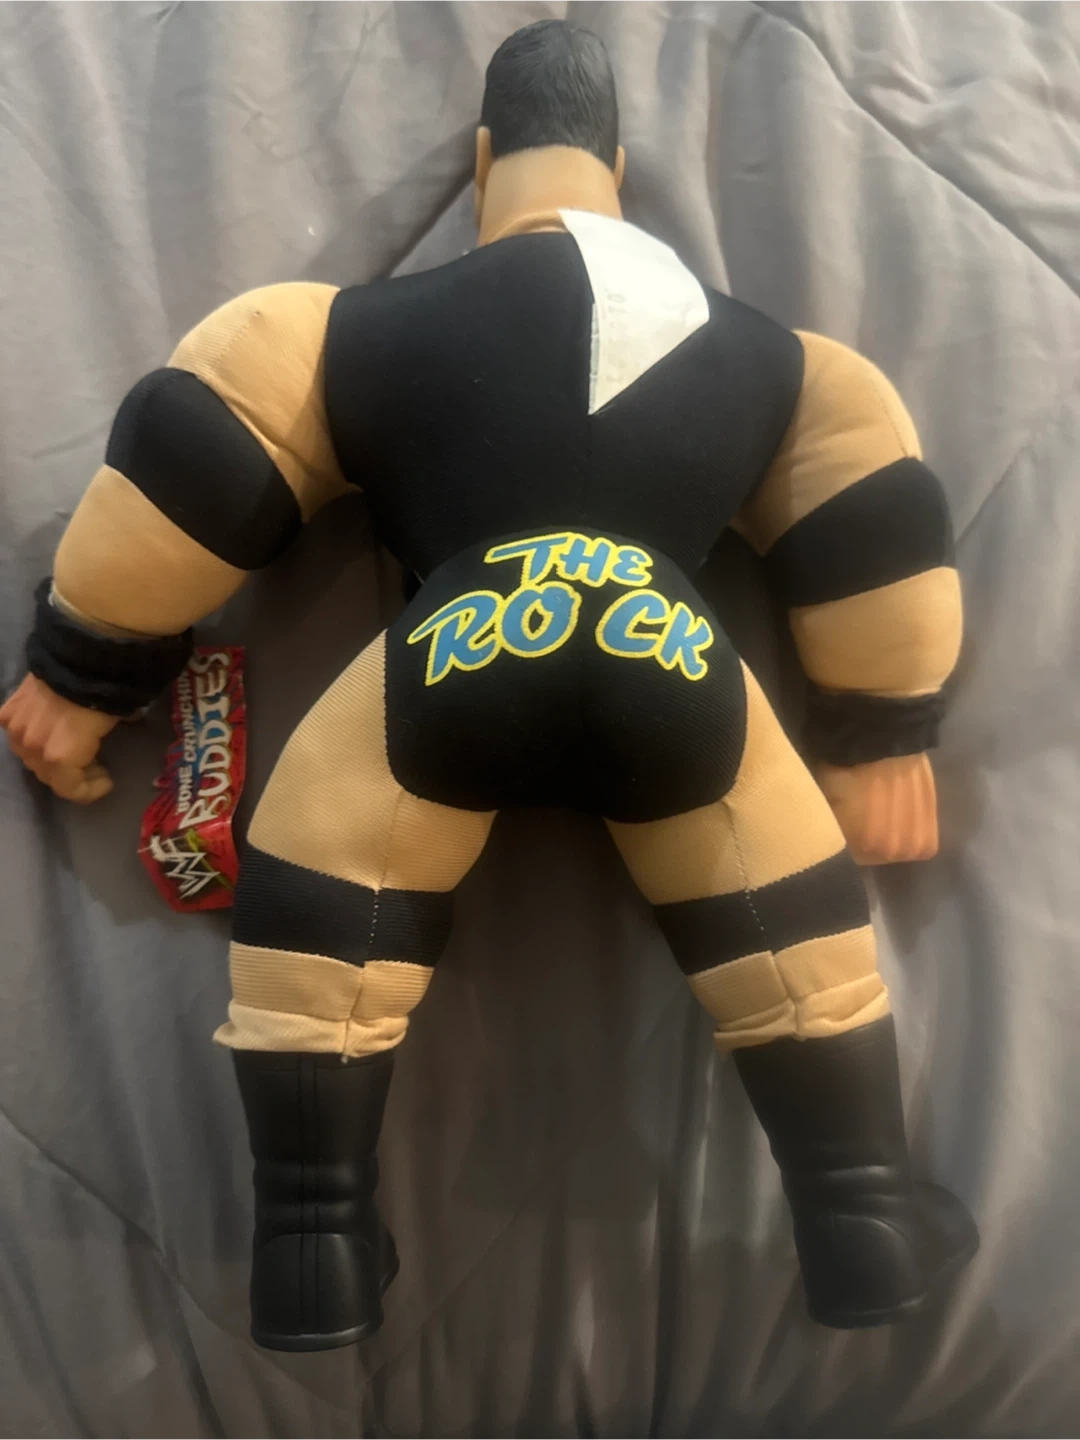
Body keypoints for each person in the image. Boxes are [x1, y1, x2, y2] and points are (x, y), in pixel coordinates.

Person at [0, 19, 976, 1350]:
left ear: (479, 165)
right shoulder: (776, 359)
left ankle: (313, 1242)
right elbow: (873, 510)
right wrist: (879, 732)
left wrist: (85, 668)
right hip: (668, 651)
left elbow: (202, 447)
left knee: (321, 914)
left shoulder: (354, 327)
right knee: (794, 951)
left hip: (453, 651)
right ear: (619, 169)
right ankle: (862, 1216)